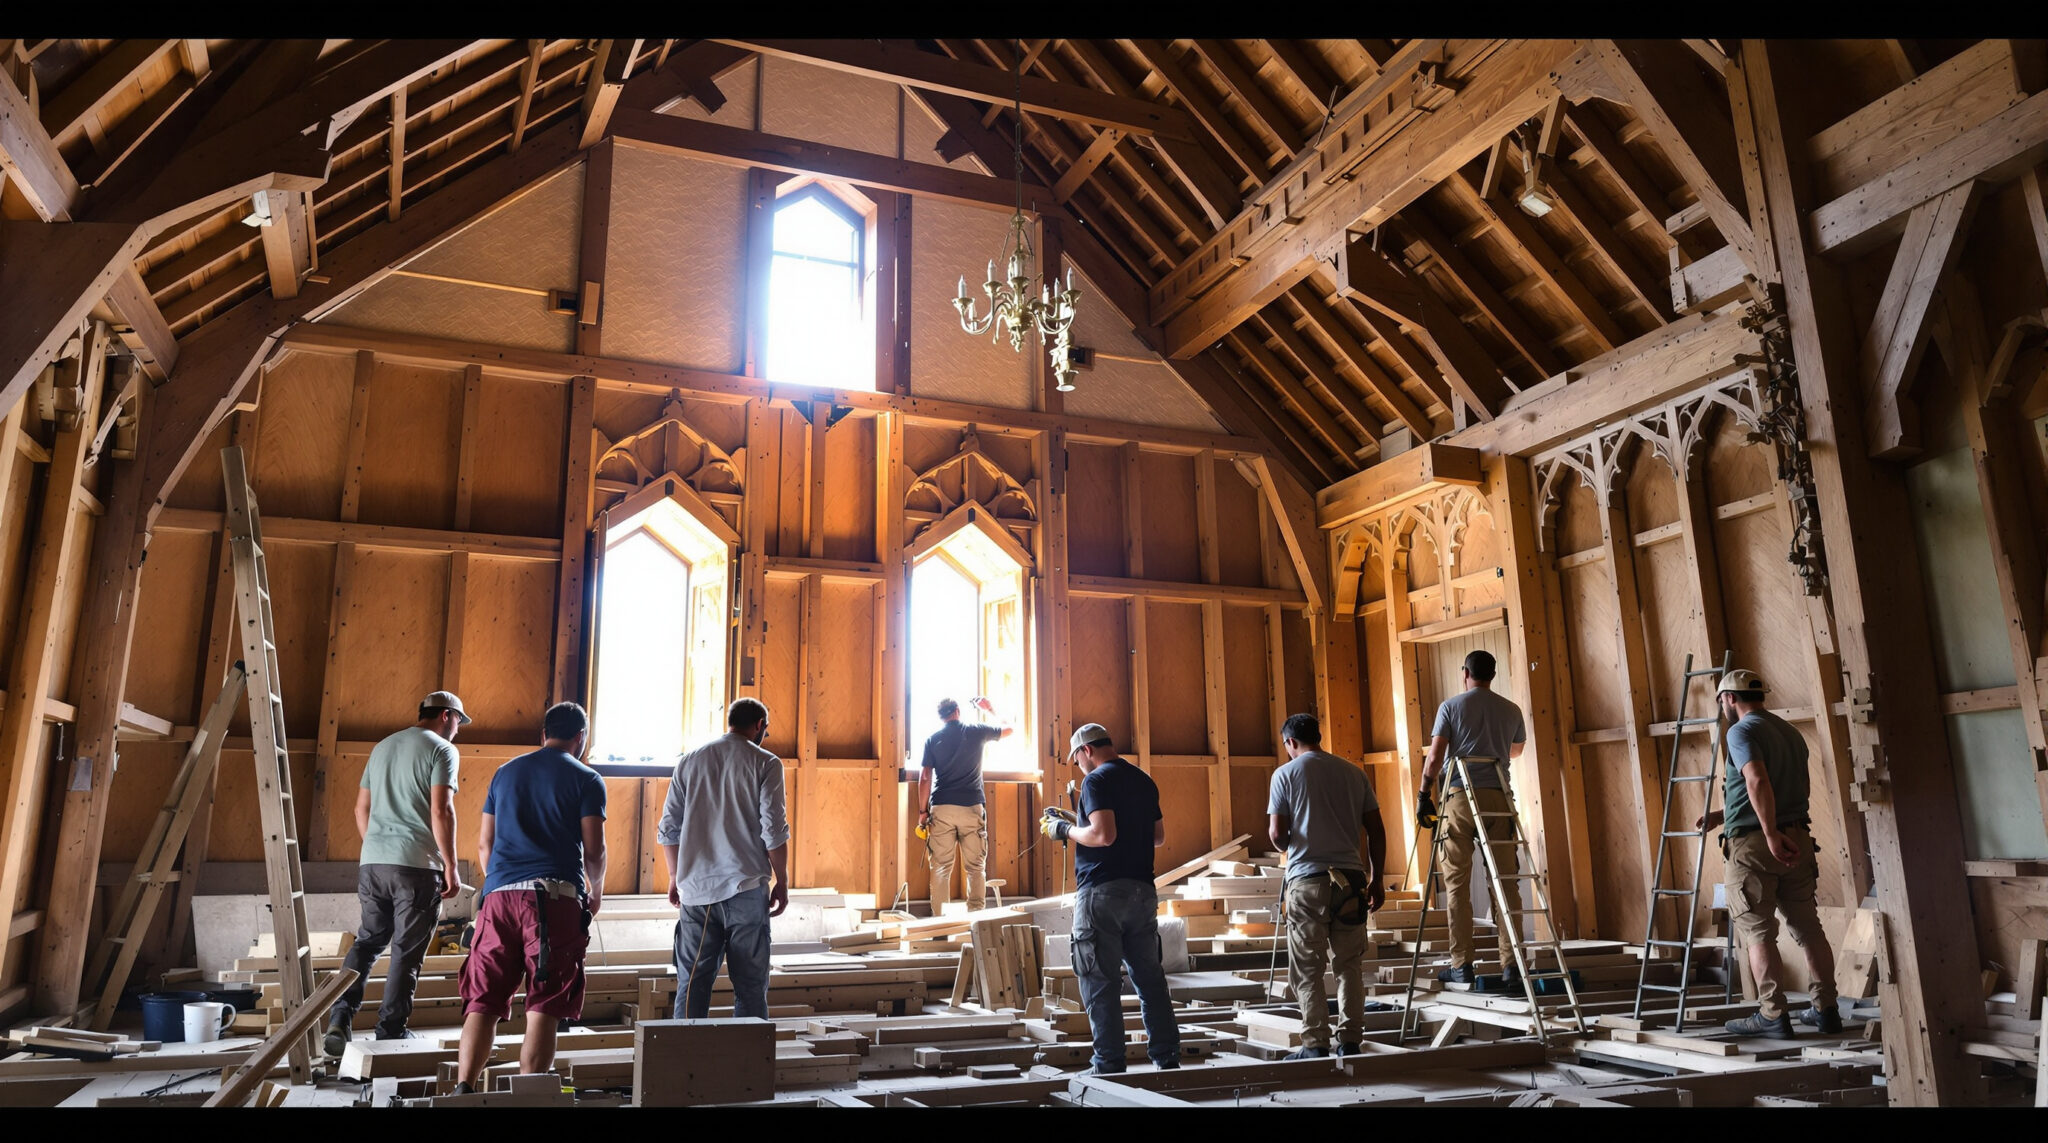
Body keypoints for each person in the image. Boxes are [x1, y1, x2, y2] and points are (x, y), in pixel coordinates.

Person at [453, 702, 607, 1091]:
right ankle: (529, 1095)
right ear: (580, 738)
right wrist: (597, 891)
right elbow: (594, 850)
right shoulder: (587, 779)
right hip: (553, 901)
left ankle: (464, 1088)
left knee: (483, 1000)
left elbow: (485, 845)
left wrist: (500, 885)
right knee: (545, 1004)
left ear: (543, 734)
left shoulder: (505, 773)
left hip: (498, 899)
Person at [1696, 668, 1840, 1038]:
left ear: (1729, 698)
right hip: (1798, 839)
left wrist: (1770, 833)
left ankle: (1773, 1015)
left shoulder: (1740, 731)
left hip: (1757, 845)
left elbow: (1757, 779)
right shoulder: (1789, 732)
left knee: (1758, 932)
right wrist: (1723, 815)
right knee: (1809, 928)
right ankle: (1826, 1009)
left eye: (1722, 701)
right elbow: (1785, 787)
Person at [324, 691, 468, 1057]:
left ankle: (340, 1018)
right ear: (447, 716)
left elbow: (361, 808)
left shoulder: (382, 747)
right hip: (417, 866)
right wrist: (451, 865)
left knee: (367, 943)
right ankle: (390, 1032)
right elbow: (442, 810)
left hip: (373, 863)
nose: (458, 729)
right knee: (406, 951)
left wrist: (378, 846)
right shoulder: (442, 750)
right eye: (458, 721)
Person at [1039, 724, 1180, 1075]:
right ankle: (1167, 1057)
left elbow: (1103, 835)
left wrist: (1064, 829)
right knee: (1150, 980)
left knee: (1099, 980)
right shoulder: (1143, 780)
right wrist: (1079, 822)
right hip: (1142, 891)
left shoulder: (1095, 781)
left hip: (1102, 892)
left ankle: (1109, 1063)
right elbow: (1157, 836)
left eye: (1076, 759)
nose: (1078, 767)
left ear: (1086, 751)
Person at [657, 697, 790, 1020]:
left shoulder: (689, 762)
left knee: (692, 983)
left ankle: (686, 1048)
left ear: (729, 722)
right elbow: (773, 829)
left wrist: (674, 876)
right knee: (750, 985)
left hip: (697, 890)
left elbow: (668, 829)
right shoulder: (766, 763)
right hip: (746, 887)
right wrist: (782, 880)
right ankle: (748, 1051)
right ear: (759, 725)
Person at [1268, 712, 1387, 1059]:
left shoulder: (1285, 775)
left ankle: (1315, 1043)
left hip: (1308, 882)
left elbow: (1277, 835)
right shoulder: (1354, 773)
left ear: (1291, 742)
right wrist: (1378, 878)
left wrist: (1289, 839)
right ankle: (1350, 1041)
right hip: (1351, 881)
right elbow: (1376, 830)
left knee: (1308, 968)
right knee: (1349, 965)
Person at [1417, 649, 1527, 986]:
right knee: (1505, 883)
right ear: (1493, 675)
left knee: (1456, 884)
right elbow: (1516, 750)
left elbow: (1436, 757)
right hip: (1498, 799)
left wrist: (1423, 795)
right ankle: (1512, 965)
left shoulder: (1451, 707)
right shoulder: (1511, 710)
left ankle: (1462, 964)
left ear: (1465, 673)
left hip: (1460, 798)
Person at [917, 696, 1013, 912]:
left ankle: (939, 923)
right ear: (958, 711)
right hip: (971, 807)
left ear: (941, 717)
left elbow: (925, 777)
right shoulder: (976, 731)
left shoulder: (933, 740)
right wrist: (990, 709)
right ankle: (976, 919)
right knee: (975, 867)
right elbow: (1009, 729)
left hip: (942, 807)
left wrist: (923, 811)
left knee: (940, 868)